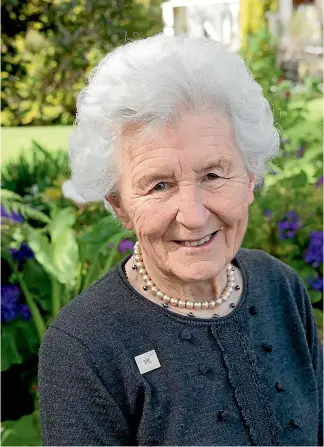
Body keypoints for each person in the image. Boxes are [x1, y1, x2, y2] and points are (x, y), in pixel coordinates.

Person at [38, 34, 323, 446]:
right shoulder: (85, 346)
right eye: (158, 185)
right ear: (119, 206)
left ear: (250, 178)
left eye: (212, 175)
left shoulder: (280, 287)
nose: (192, 215)